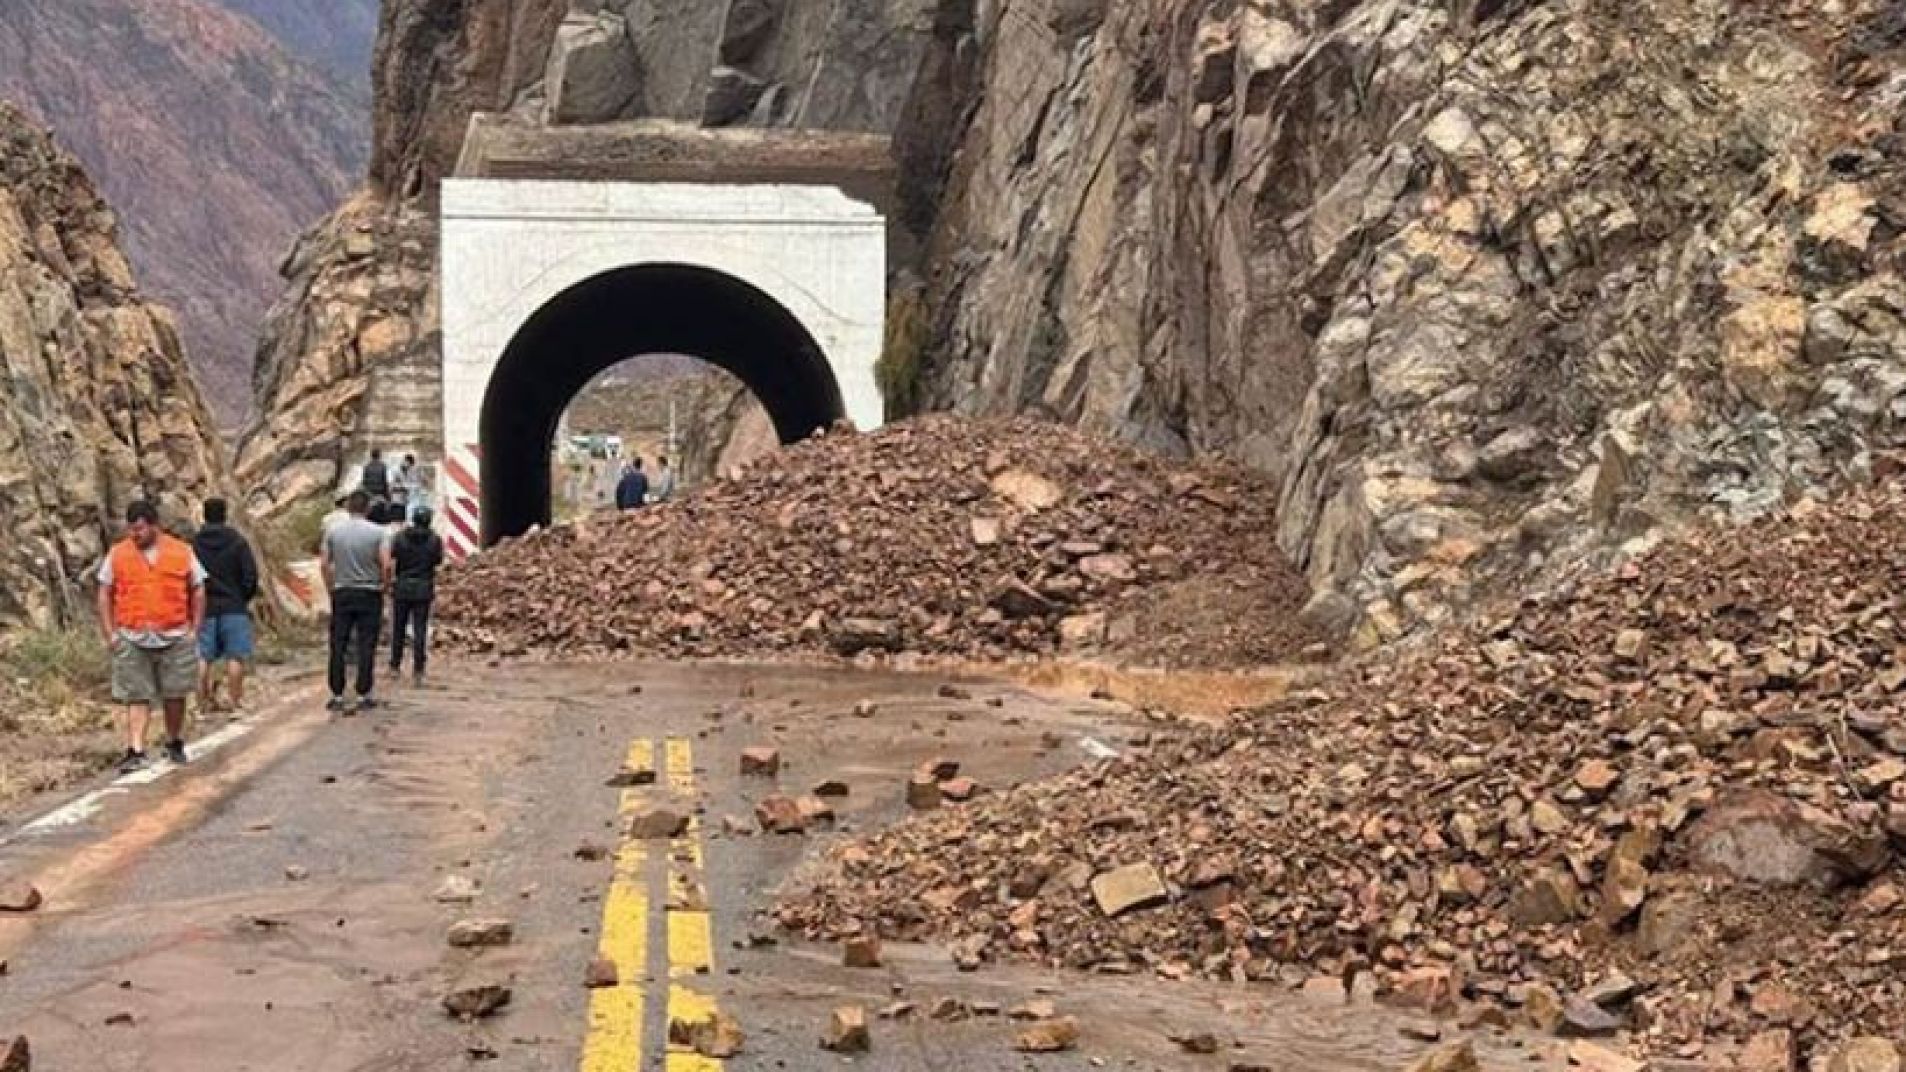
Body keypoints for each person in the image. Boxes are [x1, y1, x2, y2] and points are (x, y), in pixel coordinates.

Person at [96, 501, 205, 771]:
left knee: (175, 693)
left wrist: (194, 629)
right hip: (132, 636)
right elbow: (104, 592)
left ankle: (174, 741)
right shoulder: (118, 554)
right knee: (136, 694)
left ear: (155, 526)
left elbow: (198, 589)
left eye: (141, 530)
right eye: (132, 530)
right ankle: (136, 750)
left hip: (175, 635)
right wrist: (111, 634)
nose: (136, 535)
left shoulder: (181, 552)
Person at [320, 490, 392, 713]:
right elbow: (386, 564)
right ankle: (363, 692)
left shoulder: (333, 532)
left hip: (342, 592)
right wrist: (385, 586)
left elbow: (324, 564)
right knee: (366, 644)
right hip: (369, 592)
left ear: (348, 507)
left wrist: (331, 587)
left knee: (338, 644)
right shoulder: (379, 533)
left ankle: (337, 693)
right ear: (368, 508)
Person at [192, 498, 260, 714]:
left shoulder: (194, 544)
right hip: (233, 606)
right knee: (235, 656)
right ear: (225, 515)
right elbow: (250, 576)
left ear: (204, 515)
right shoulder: (238, 541)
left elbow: (189, 576)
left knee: (203, 657)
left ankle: (202, 705)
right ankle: (235, 702)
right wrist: (242, 597)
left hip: (205, 607)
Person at [390, 507, 445, 685]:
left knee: (398, 628)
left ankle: (395, 665)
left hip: (402, 587)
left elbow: (393, 556)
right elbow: (437, 561)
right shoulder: (434, 540)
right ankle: (419, 669)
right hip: (423, 588)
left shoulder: (400, 538)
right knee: (420, 629)